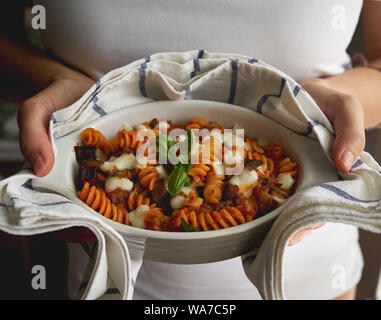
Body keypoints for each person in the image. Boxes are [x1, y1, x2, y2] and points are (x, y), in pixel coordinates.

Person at [1, 0, 381, 300]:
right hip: (104, 281)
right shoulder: (128, 163)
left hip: (308, 281)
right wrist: (55, 82)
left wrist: (327, 102)